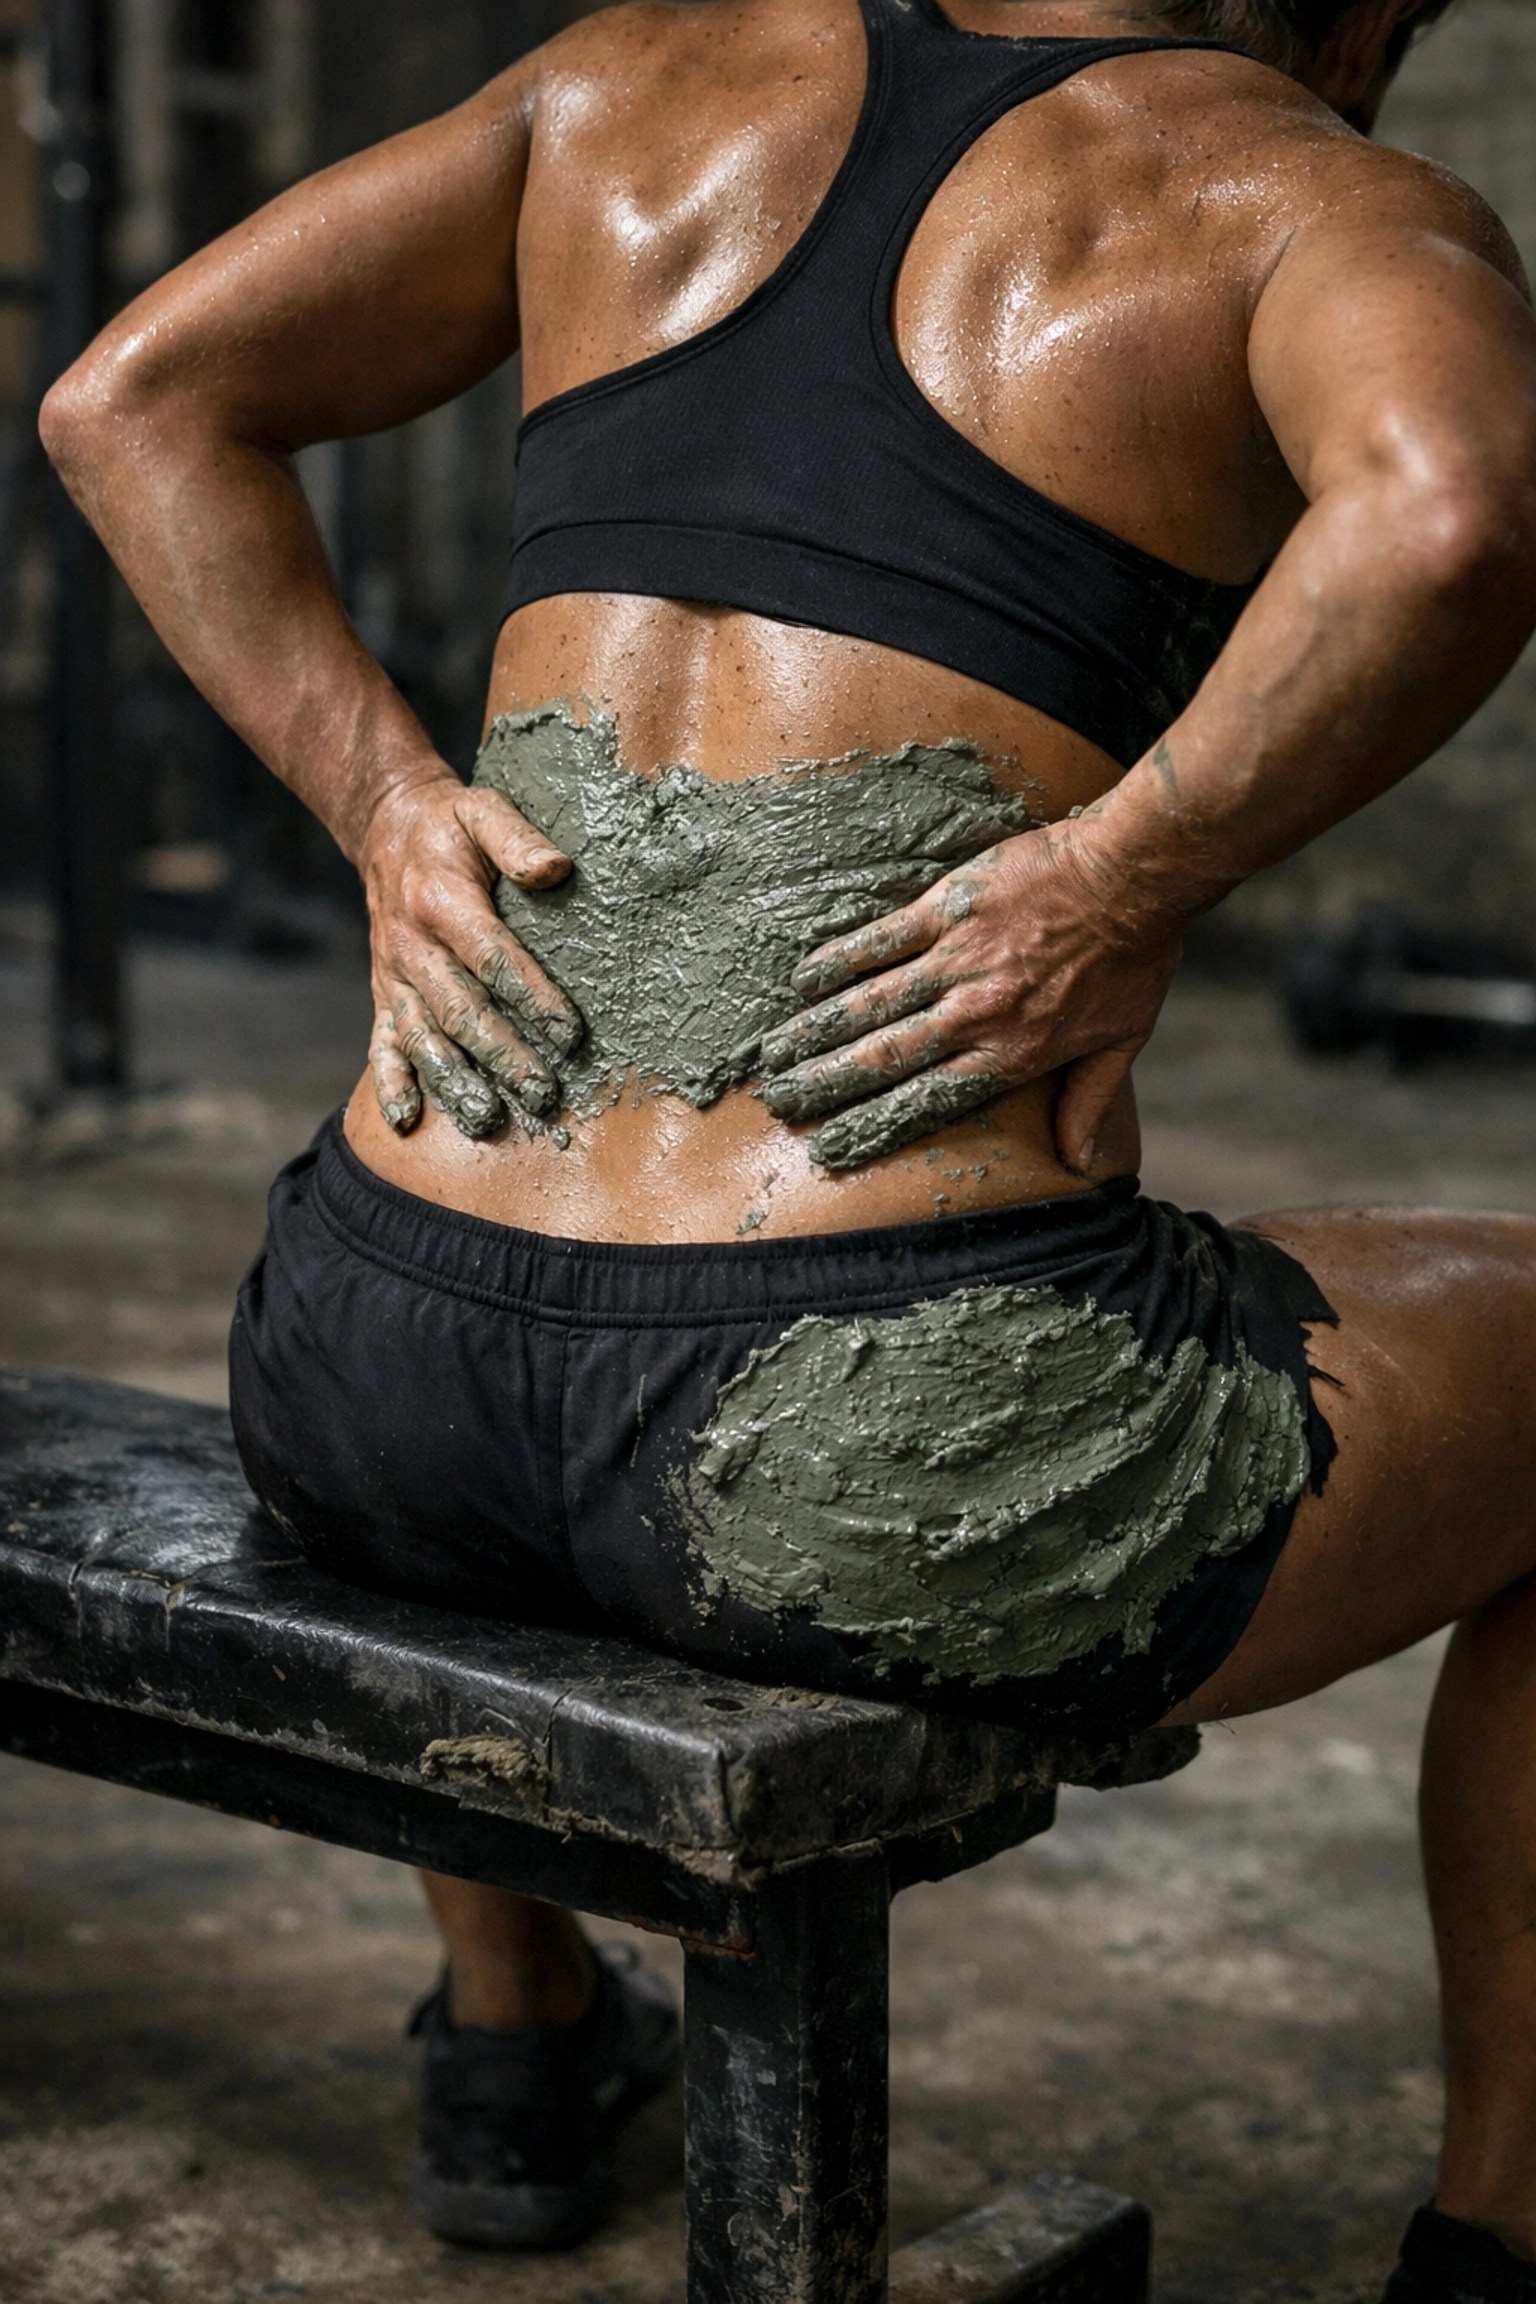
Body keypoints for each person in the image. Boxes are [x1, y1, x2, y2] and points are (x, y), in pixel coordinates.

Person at [38, 0, 1536, 2287]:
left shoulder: (622, 79)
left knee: (496, 1307)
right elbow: (1454, 509)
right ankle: (1496, 2247)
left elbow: (125, 390)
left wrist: (382, 796)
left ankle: (519, 2052)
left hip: (359, 1362)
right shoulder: (1309, 198)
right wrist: (1127, 876)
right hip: (862, 1439)